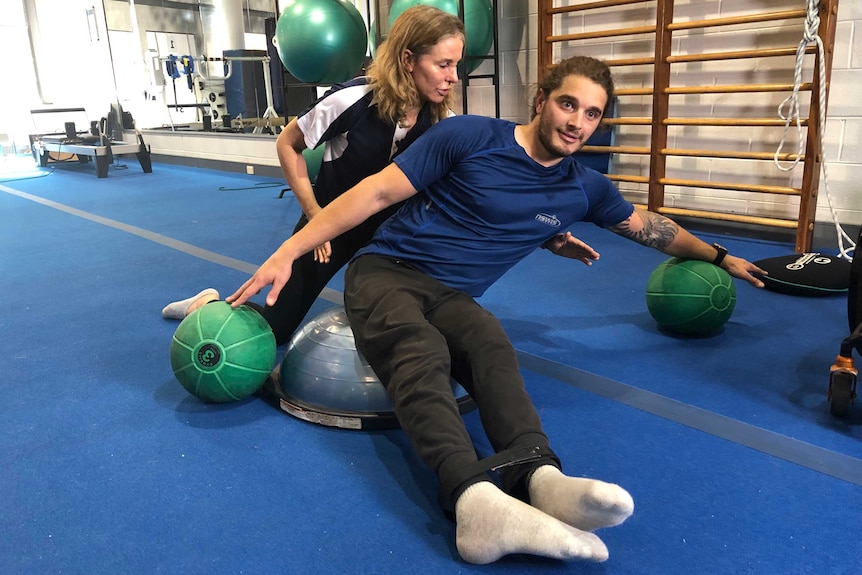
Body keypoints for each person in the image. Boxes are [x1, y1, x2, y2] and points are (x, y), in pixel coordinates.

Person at [226, 56, 768, 564]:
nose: (577, 122)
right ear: (541, 100)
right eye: (568, 104)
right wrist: (288, 252)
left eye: (593, 113)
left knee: (489, 343)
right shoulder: (468, 136)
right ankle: (471, 498)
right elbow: (373, 195)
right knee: (420, 350)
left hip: (454, 296)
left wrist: (721, 255)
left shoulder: (584, 188)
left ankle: (539, 475)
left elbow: (653, 229)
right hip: (387, 271)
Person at [162, 5, 465, 346]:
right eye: (444, 64)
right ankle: (204, 304)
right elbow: (287, 144)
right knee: (271, 332)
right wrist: (313, 214)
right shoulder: (353, 98)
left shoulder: (446, 123)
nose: (454, 77)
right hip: (330, 225)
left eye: (456, 65)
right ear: (409, 60)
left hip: (392, 239)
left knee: (417, 330)